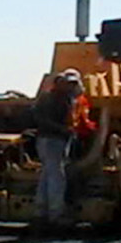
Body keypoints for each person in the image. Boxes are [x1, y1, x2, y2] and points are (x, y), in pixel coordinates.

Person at [33, 69, 83, 230]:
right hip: (52, 140)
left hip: (49, 140)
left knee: (47, 173)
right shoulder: (52, 99)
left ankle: (40, 211)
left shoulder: (60, 98)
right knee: (56, 176)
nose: (70, 86)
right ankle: (56, 214)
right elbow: (41, 119)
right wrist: (63, 129)